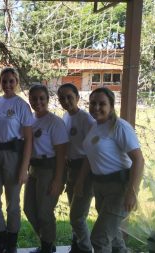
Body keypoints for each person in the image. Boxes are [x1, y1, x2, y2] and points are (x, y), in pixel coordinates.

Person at [75, 87, 144, 253]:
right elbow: (89, 156)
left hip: (119, 188)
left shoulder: (120, 127)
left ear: (111, 106)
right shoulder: (96, 126)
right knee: (115, 238)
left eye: (102, 103)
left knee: (99, 238)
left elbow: (139, 159)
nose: (96, 107)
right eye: (93, 103)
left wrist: (131, 192)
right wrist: (80, 181)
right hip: (100, 187)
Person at [0, 68, 33, 253]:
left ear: (17, 82)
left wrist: (24, 167)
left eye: (11, 81)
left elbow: (29, 139)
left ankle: (11, 242)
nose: (7, 85)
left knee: (13, 203)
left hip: (13, 157)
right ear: (0, 82)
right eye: (4, 81)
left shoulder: (22, 105)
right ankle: (2, 237)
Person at [24, 84, 68, 253]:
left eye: (42, 98)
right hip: (33, 169)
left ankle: (47, 247)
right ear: (29, 100)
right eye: (34, 98)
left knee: (44, 211)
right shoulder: (31, 120)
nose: (38, 102)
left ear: (48, 100)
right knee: (29, 209)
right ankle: (47, 241)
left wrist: (58, 181)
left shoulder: (55, 122)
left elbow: (62, 155)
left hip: (50, 170)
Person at [57, 83, 94, 253]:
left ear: (78, 98)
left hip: (84, 171)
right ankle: (76, 246)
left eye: (69, 97)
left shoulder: (86, 119)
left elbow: (90, 153)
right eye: (62, 98)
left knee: (77, 217)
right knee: (75, 212)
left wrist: (80, 180)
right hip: (71, 169)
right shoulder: (66, 117)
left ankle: (85, 249)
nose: (66, 101)